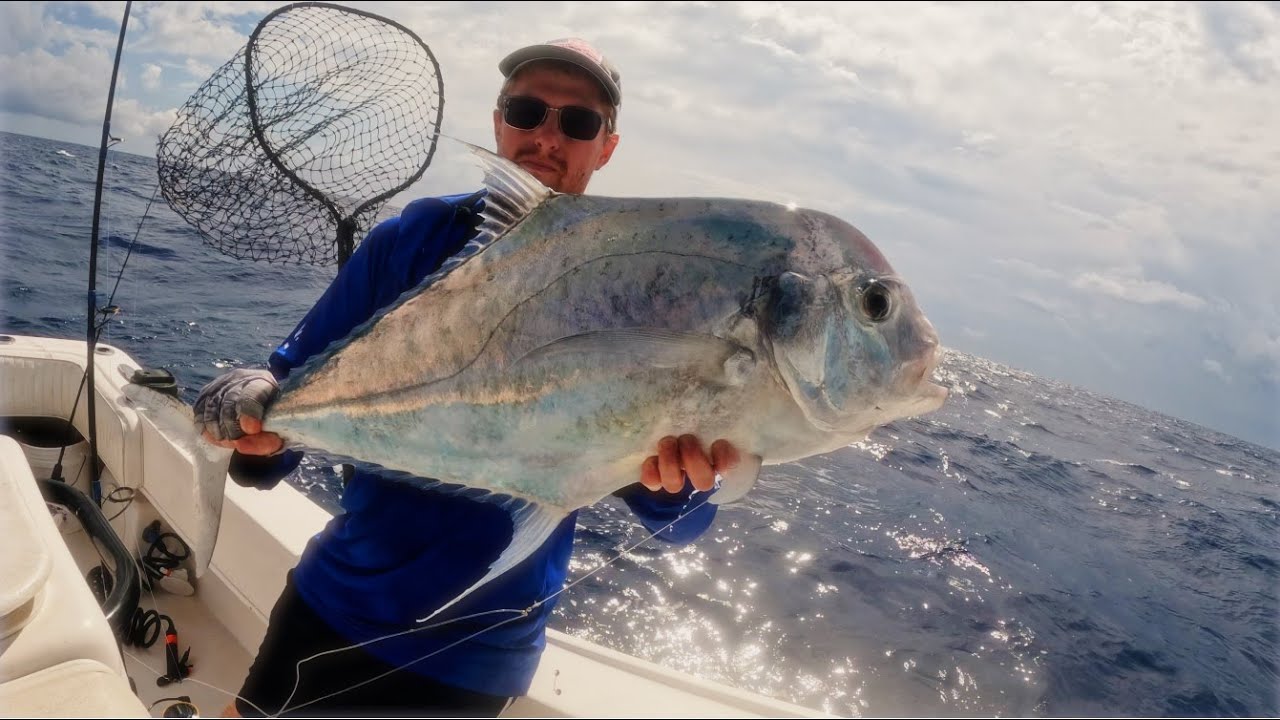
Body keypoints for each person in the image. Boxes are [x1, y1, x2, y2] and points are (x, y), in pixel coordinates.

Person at [198, 38, 739, 718]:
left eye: (577, 123)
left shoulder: (639, 287)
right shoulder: (410, 240)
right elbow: (283, 401)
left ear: (607, 146)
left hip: (477, 652)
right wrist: (250, 416)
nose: (547, 135)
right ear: (497, 122)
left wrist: (671, 484)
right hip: (336, 597)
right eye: (527, 110)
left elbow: (679, 526)